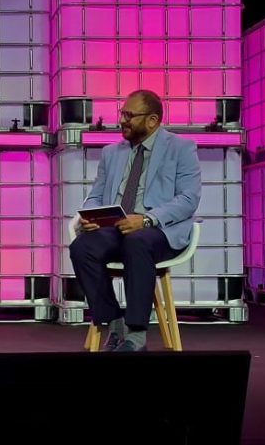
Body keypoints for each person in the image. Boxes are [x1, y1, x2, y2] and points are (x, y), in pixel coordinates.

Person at [68, 89, 201, 351]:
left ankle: (137, 335)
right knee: (82, 247)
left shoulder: (181, 148)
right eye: (122, 114)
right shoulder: (111, 153)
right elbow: (95, 196)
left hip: (159, 230)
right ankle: (114, 322)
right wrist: (91, 216)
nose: (122, 120)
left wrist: (147, 219)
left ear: (152, 120)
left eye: (130, 115)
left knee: (137, 242)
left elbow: (188, 199)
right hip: (116, 228)